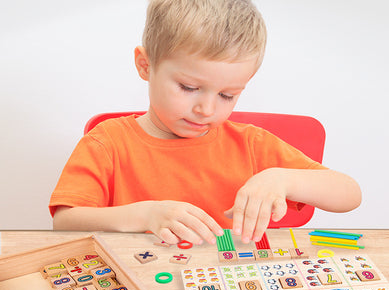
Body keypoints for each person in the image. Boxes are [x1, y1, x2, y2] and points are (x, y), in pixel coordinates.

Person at [50, 0, 361, 245]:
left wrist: (283, 179)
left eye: (227, 95)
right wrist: (144, 215)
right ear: (146, 66)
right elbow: (65, 222)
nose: (206, 109)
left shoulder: (251, 144)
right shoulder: (109, 143)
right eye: (188, 88)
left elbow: (349, 193)